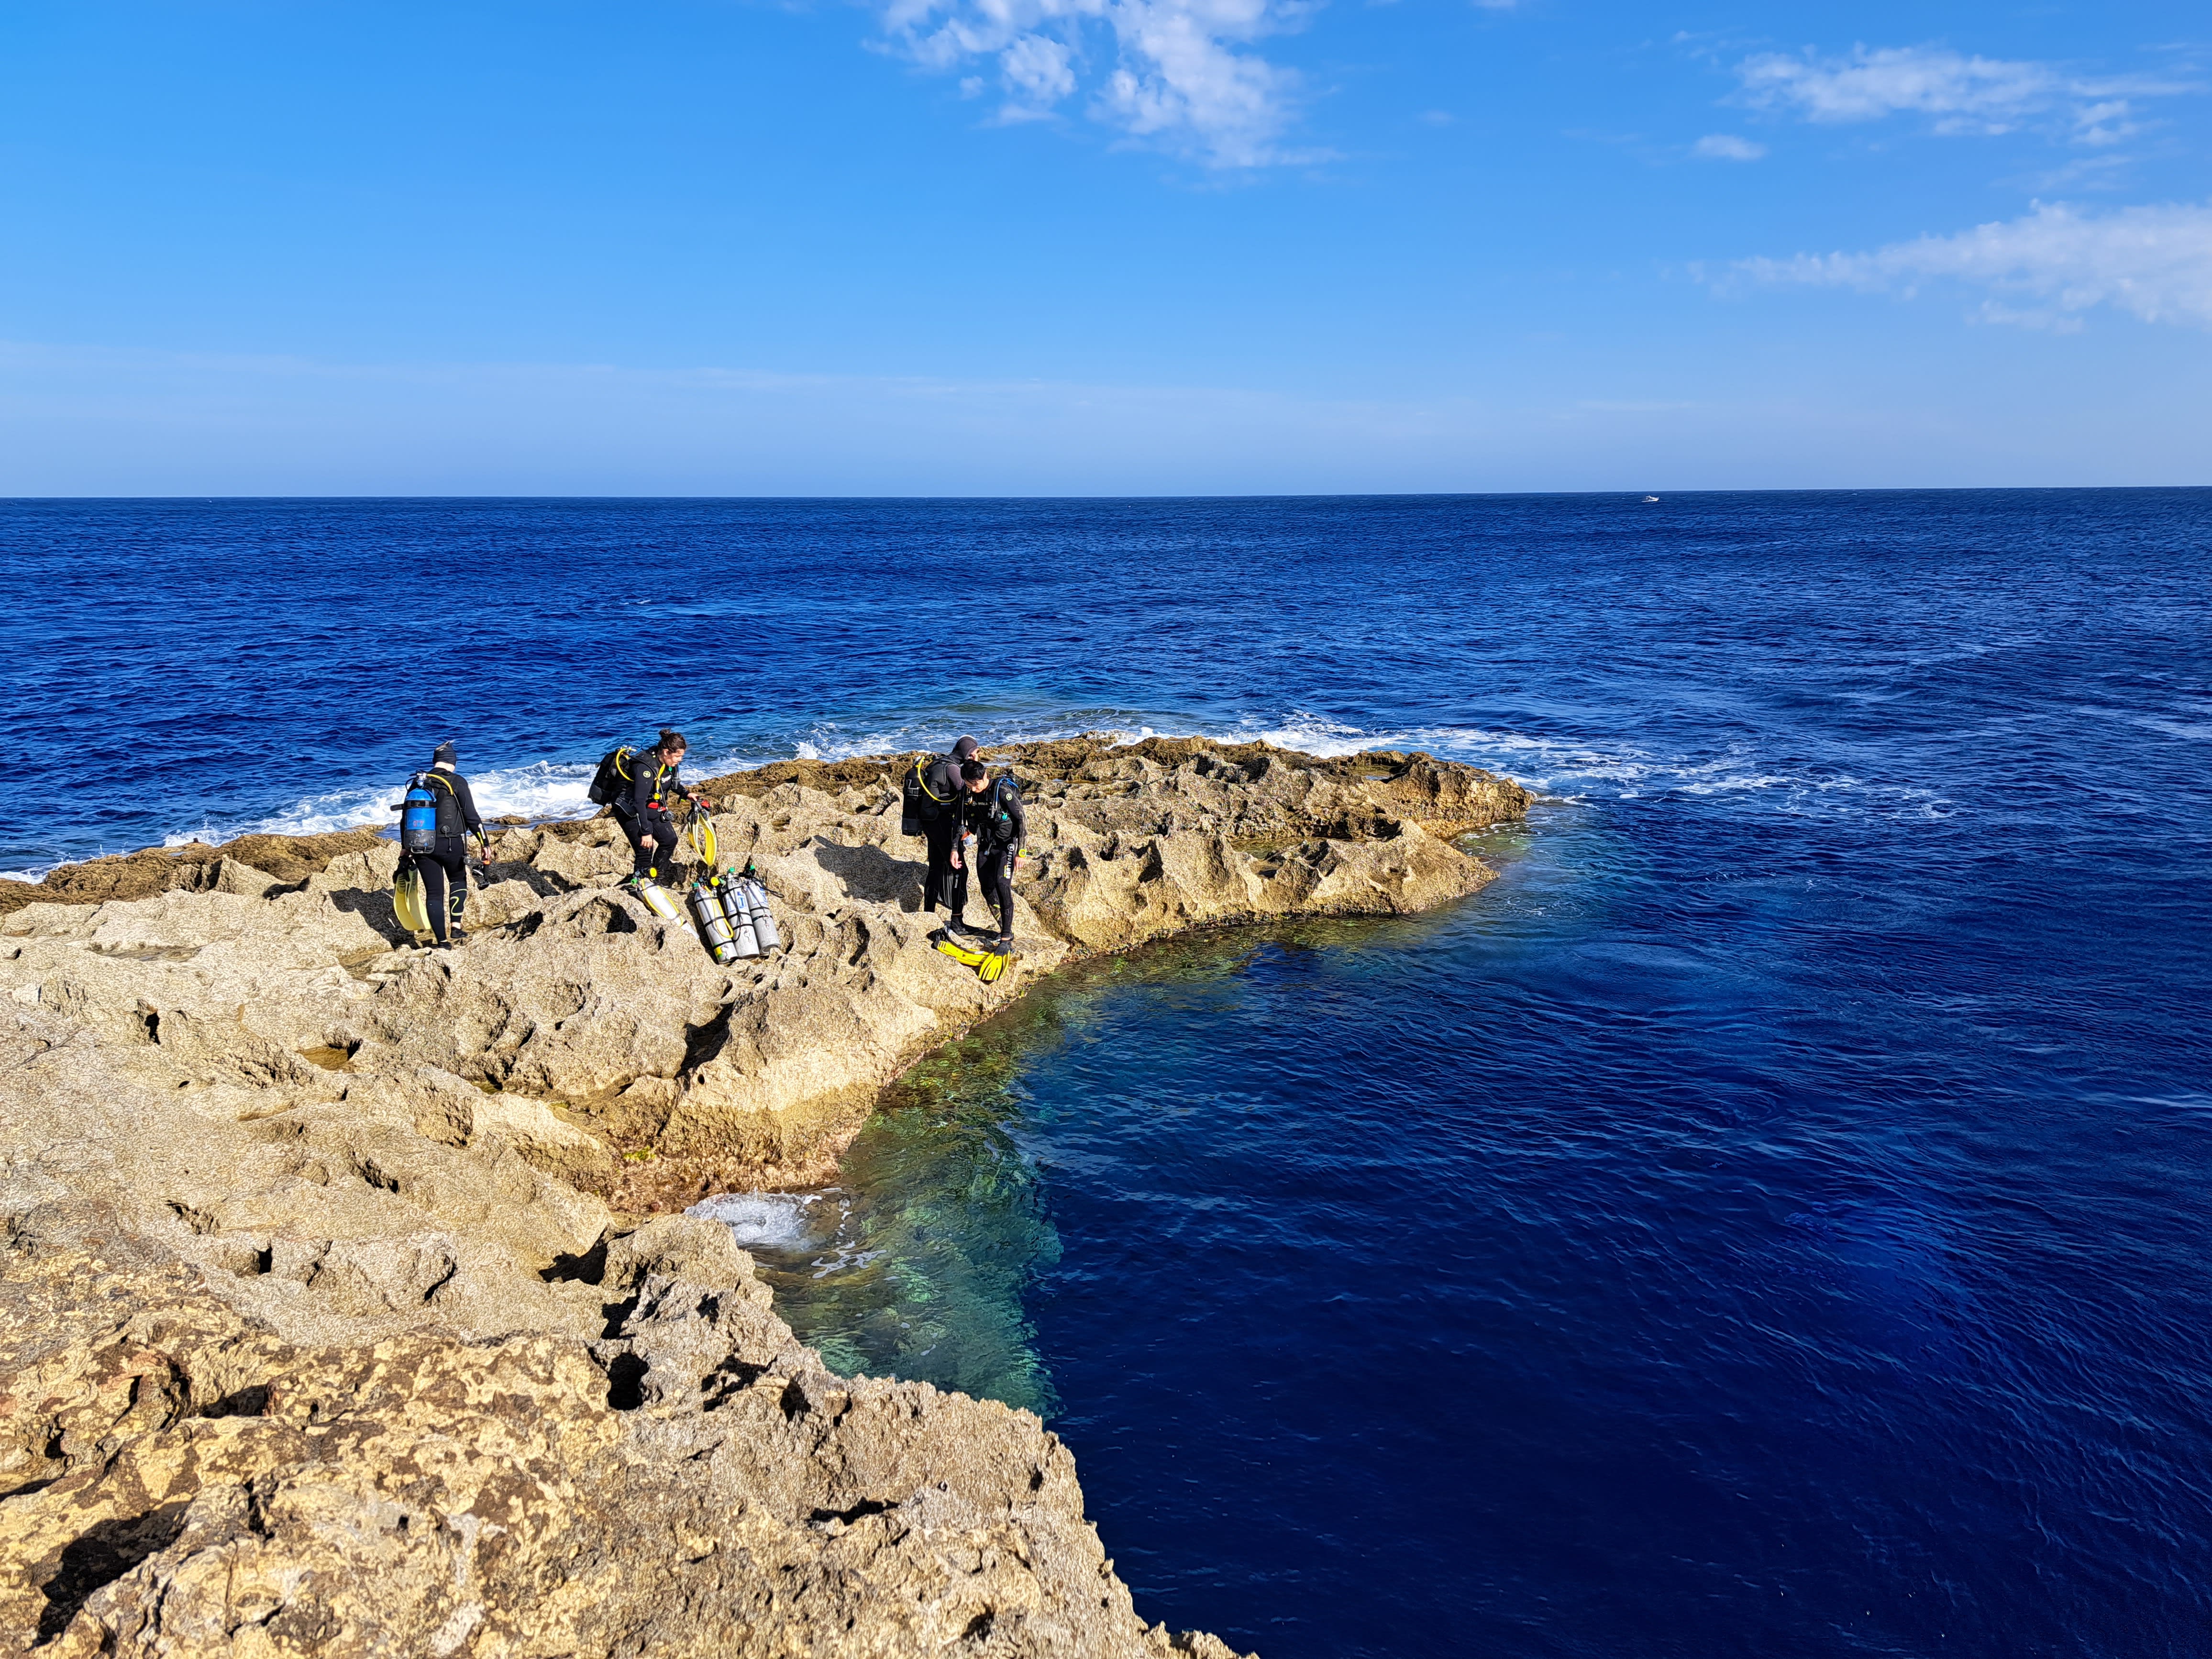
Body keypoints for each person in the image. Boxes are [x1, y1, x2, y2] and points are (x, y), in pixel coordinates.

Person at [408, 741, 484, 948]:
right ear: (453, 762)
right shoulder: (457, 782)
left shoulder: (418, 783)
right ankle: (456, 927)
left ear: (435, 762)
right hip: (451, 844)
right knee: (458, 881)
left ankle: (442, 942)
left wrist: (406, 850)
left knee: (434, 893)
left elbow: (406, 818)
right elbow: (472, 818)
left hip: (421, 846)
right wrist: (484, 843)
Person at [617, 730, 714, 884]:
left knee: (669, 840)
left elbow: (670, 783)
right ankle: (640, 881)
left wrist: (686, 794)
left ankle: (657, 878)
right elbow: (638, 802)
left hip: (652, 807)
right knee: (645, 848)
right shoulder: (645, 768)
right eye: (677, 756)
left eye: (682, 756)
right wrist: (646, 831)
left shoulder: (669, 764)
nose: (680, 760)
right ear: (666, 752)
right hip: (630, 810)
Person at [915, 735, 981, 927]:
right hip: (942, 824)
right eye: (975, 753)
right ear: (968, 754)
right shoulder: (953, 769)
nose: (977, 757)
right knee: (961, 870)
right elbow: (970, 791)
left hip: (930, 823)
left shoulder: (940, 762)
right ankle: (957, 920)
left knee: (935, 868)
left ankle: (928, 913)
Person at [960, 760, 1026, 948]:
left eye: (975, 785)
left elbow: (1022, 819)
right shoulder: (970, 793)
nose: (973, 789)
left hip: (1007, 845)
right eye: (969, 785)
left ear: (985, 777)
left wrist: (1021, 851)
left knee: (1002, 884)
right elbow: (971, 817)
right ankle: (1004, 927)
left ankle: (1006, 936)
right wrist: (968, 833)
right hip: (986, 844)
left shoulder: (1002, 791)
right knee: (986, 888)